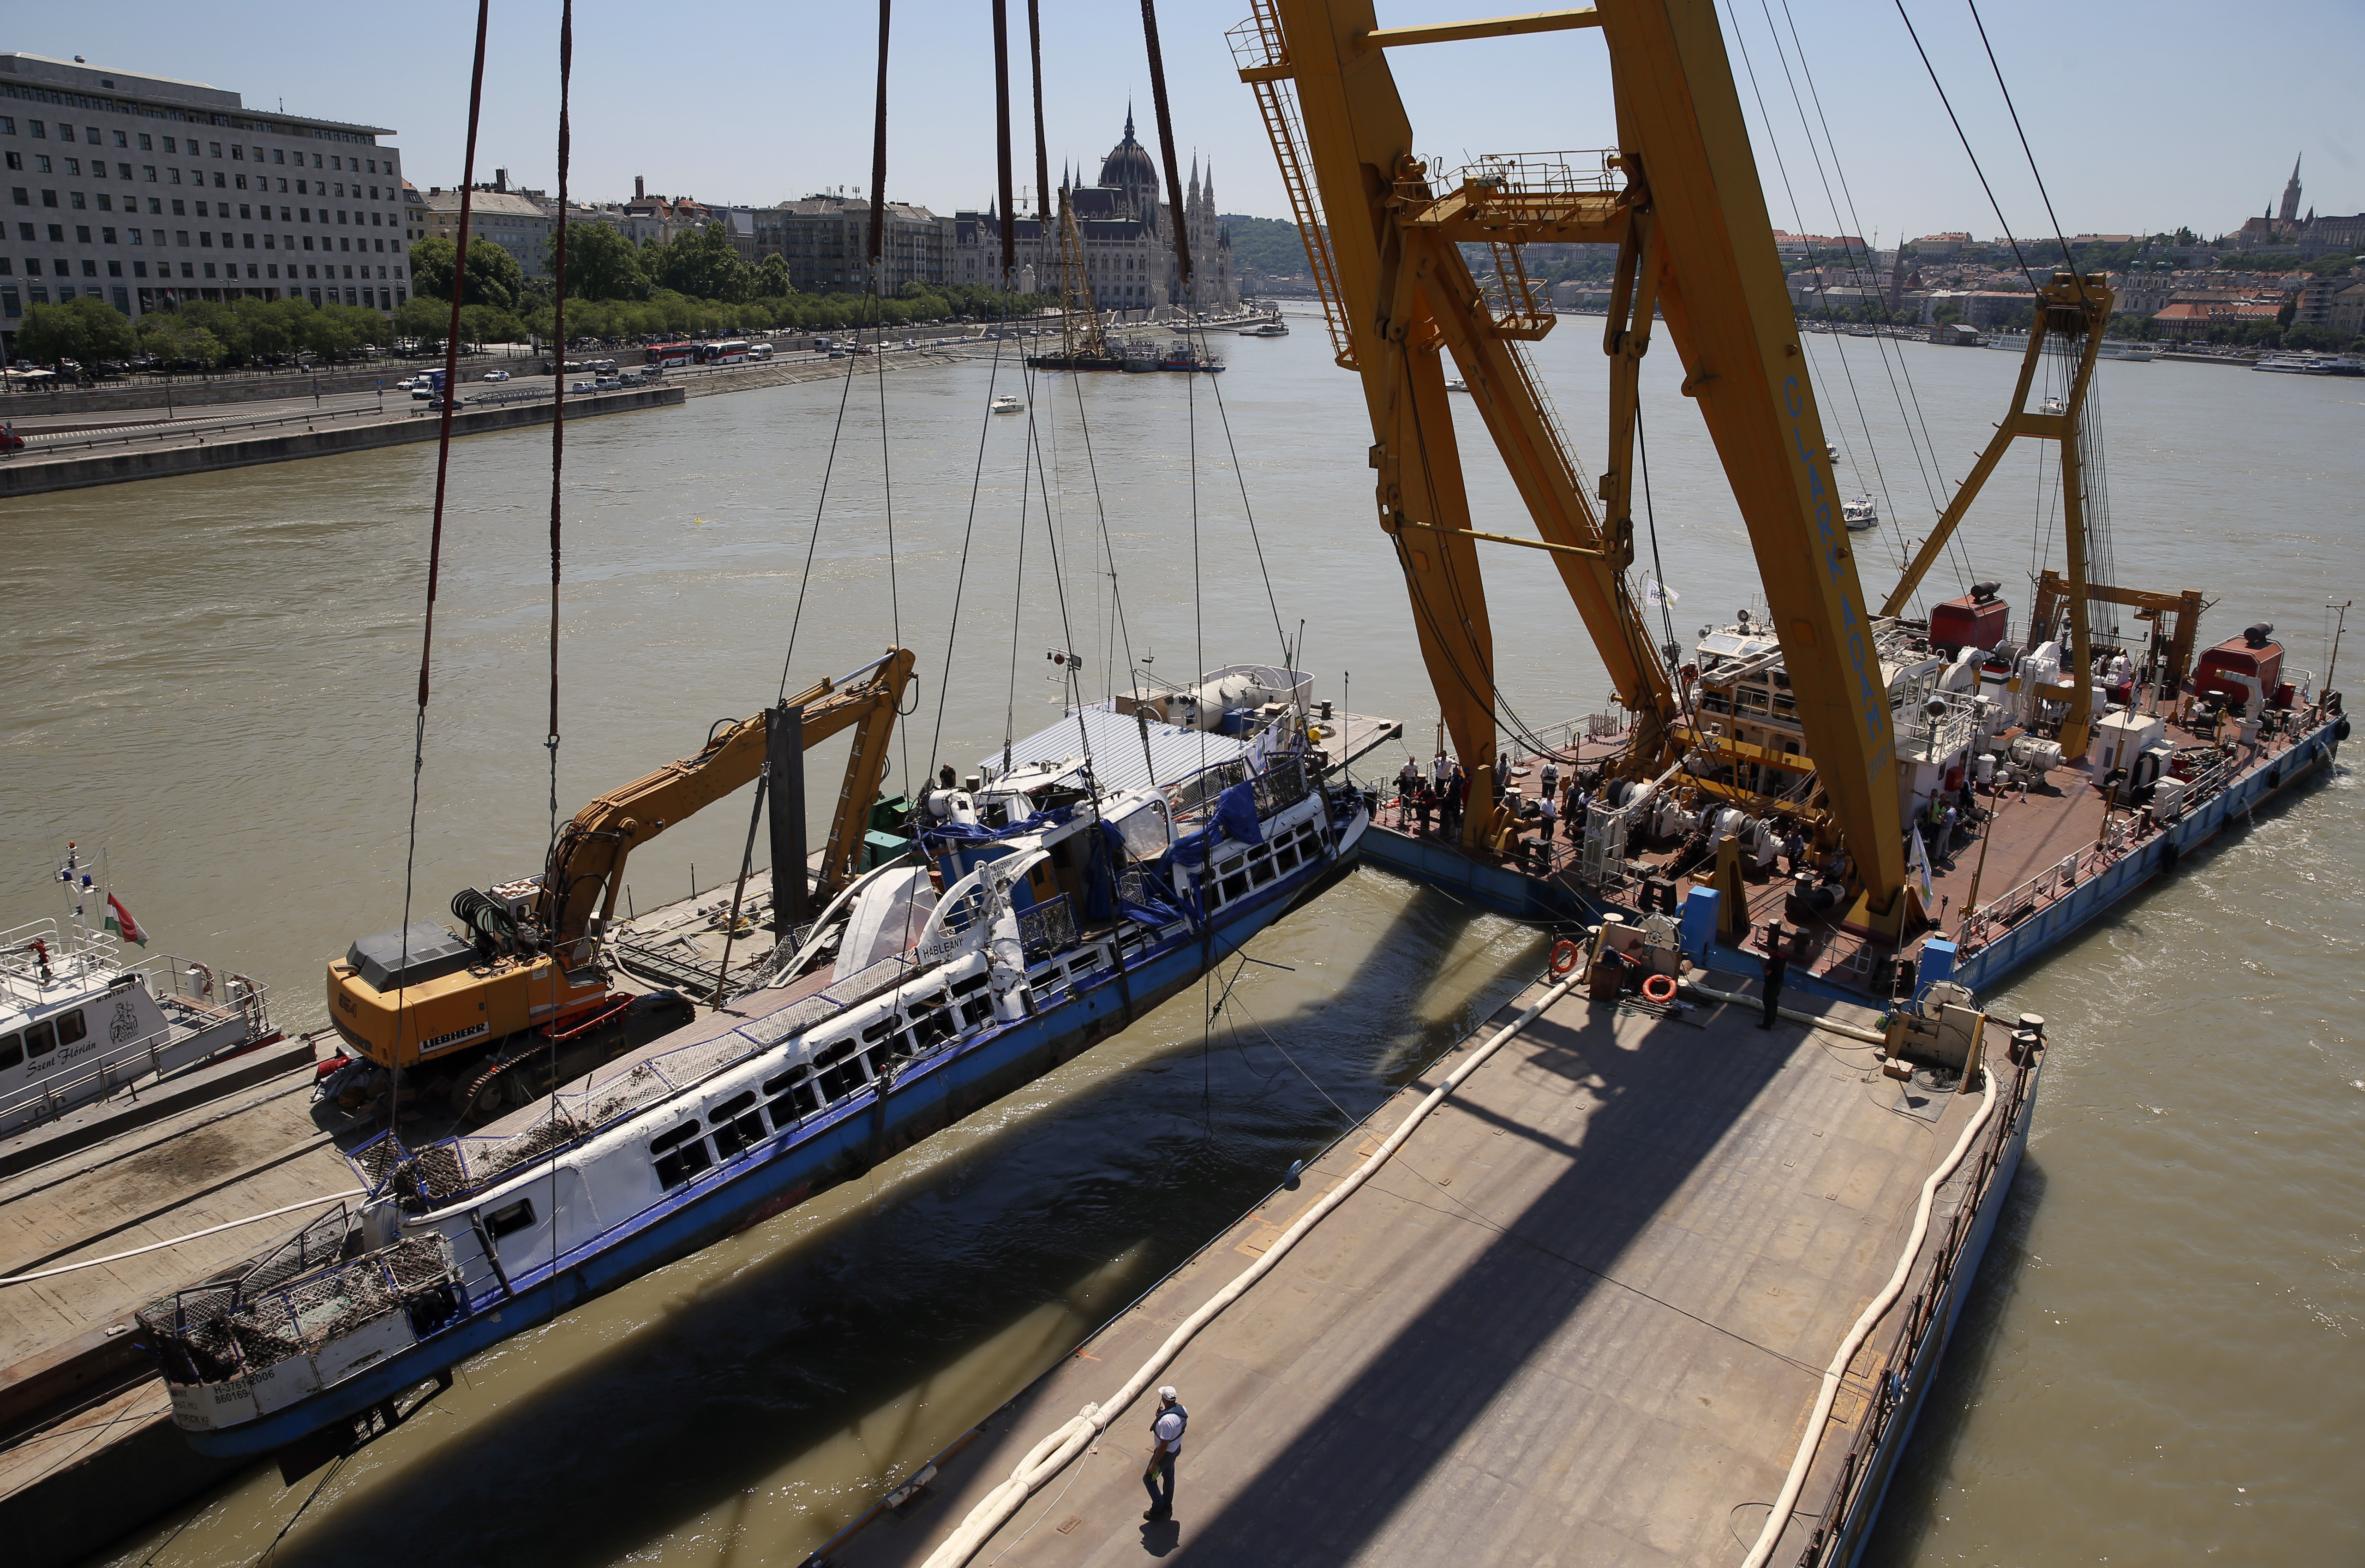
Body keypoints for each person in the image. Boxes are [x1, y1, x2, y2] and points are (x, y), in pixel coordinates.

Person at [1143, 1386, 1188, 1521]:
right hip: (1175, 1450)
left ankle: (1158, 1509)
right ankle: (1168, 1504)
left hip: (1165, 1455)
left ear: (1163, 1399)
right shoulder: (1182, 1410)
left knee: (1149, 1479)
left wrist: (1154, 1464)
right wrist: (1164, 1414)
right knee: (1168, 1475)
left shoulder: (1167, 1421)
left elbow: (1163, 1445)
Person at [1758, 926, 1788, 1030]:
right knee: (1774, 1001)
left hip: (1772, 985)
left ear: (1774, 950)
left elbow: (1767, 973)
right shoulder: (1783, 956)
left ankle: (1767, 1024)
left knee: (1768, 1002)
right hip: (1780, 982)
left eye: (1769, 949)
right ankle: (1773, 1019)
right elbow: (1786, 967)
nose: (1767, 950)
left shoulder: (1773, 961)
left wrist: (1762, 963)